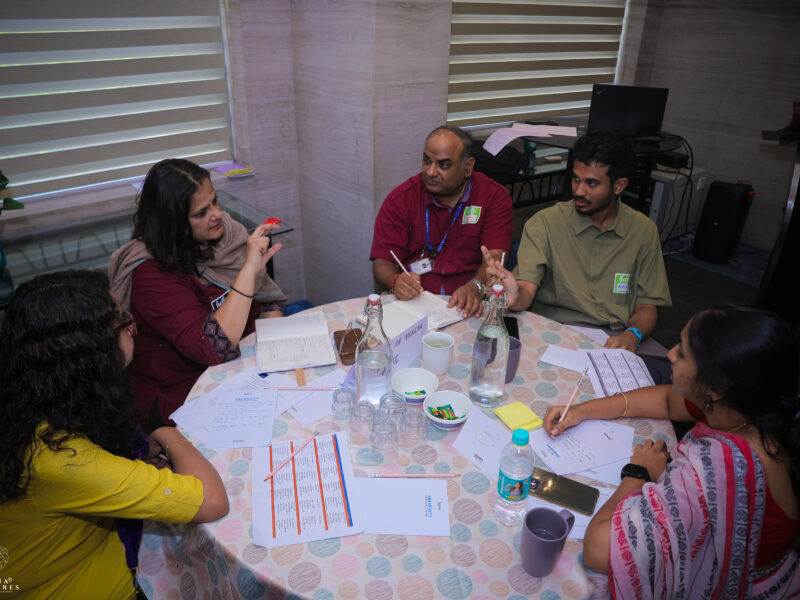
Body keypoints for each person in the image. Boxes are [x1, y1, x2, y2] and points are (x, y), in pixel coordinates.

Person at [0, 270, 229, 600]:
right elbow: (212, 501)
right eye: (121, 318)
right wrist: (165, 432)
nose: (131, 325)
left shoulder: (35, 404)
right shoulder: (62, 459)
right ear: (89, 353)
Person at [542, 305, 800, 597]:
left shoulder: (716, 468)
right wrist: (581, 411)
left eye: (683, 353)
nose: (669, 354)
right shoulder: (742, 409)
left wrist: (638, 474)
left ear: (713, 390)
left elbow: (599, 551)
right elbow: (667, 400)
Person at [109, 158, 286, 431]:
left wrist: (274, 356)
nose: (217, 215)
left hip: (246, 367)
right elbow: (214, 347)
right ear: (174, 223)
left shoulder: (229, 236)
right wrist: (249, 270)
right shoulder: (150, 276)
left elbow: (267, 298)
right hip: (184, 393)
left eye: (215, 201)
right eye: (201, 212)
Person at [485, 131, 671, 354]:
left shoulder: (643, 232)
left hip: (617, 335)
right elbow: (525, 289)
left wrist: (633, 335)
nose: (579, 191)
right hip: (555, 330)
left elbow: (647, 306)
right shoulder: (544, 224)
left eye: (592, 183)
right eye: (575, 179)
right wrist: (513, 295)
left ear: (619, 185)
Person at [370, 125, 513, 318]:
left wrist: (475, 286)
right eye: (427, 161)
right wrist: (397, 281)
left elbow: (495, 259)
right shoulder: (401, 199)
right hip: (415, 302)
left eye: (443, 164)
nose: (430, 172)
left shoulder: (493, 198)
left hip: (469, 302)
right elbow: (383, 262)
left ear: (468, 167)